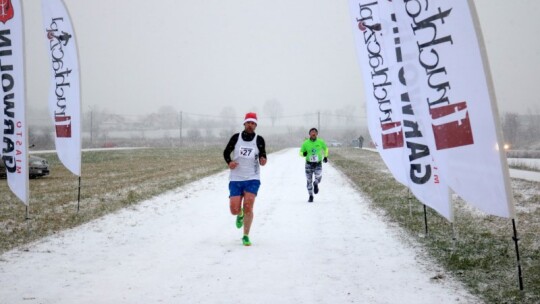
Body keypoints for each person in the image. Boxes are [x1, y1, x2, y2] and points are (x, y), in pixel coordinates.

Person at [223, 112, 267, 246]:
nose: (250, 125)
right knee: (233, 210)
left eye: (253, 123)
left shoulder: (259, 139)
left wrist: (263, 159)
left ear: (256, 125)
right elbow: (226, 152)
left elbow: (263, 154)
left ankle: (246, 235)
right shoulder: (236, 137)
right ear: (244, 123)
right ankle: (239, 213)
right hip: (236, 178)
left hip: (252, 177)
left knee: (249, 206)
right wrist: (229, 162)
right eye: (248, 122)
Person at [299, 128, 328, 203]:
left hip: (318, 163)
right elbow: (300, 152)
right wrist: (303, 154)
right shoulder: (305, 143)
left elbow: (325, 149)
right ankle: (311, 196)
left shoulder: (320, 142)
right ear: (309, 134)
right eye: (312, 132)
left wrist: (325, 156)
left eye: (315, 132)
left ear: (317, 134)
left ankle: (316, 183)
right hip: (309, 164)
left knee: (319, 177)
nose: (313, 133)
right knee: (309, 181)